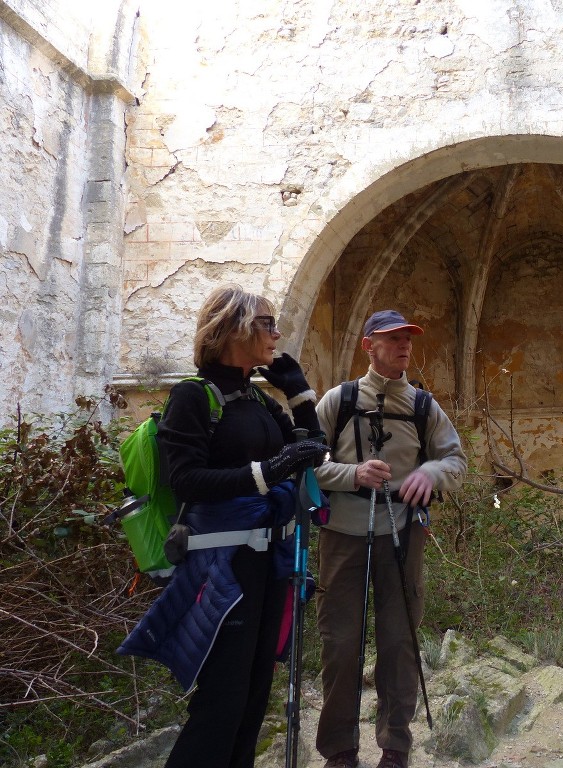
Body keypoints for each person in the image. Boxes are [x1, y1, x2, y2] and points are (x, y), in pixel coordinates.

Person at [118, 284, 327, 768]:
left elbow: (313, 451)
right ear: (233, 328)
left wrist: (298, 393)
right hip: (220, 568)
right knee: (222, 701)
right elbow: (187, 476)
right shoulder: (194, 396)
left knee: (255, 696)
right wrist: (268, 471)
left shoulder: (256, 401)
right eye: (267, 324)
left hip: (268, 565)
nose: (277, 334)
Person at [314, 310, 467, 768]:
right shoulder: (337, 402)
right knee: (340, 643)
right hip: (342, 534)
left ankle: (395, 747)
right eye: (392, 338)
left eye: (408, 340)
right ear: (368, 346)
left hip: (402, 533)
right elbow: (305, 463)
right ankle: (339, 750)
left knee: (399, 643)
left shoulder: (423, 407)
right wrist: (352, 473)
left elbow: (456, 461)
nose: (404, 346)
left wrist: (430, 471)